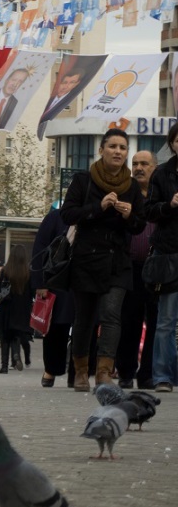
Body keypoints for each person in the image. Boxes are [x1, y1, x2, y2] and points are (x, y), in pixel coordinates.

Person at [60, 128, 145, 391]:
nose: (118, 152)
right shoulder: (84, 180)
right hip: (86, 258)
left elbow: (139, 226)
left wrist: (130, 215)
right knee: (84, 318)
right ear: (102, 150)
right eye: (113, 146)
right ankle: (81, 372)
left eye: (122, 148)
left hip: (118, 260)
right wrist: (99, 207)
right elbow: (67, 215)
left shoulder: (131, 186)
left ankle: (105, 372)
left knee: (111, 316)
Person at [116, 151, 157, 389]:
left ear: (155, 167)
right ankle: (125, 371)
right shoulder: (126, 192)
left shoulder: (159, 194)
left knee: (155, 322)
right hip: (129, 266)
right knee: (128, 322)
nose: (139, 167)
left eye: (144, 164)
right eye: (135, 164)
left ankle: (148, 374)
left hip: (156, 269)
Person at [31, 207, 80, 388]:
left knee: (84, 328)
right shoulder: (56, 217)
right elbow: (40, 247)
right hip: (58, 279)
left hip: (86, 278)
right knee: (56, 326)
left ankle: (78, 373)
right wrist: (40, 283)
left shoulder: (96, 214)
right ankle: (51, 369)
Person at [145, 124, 178, 393]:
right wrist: (170, 205)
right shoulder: (162, 174)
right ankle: (162, 376)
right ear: (172, 144)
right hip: (168, 255)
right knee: (166, 321)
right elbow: (150, 212)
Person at [0, 246, 33, 374]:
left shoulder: (6, 271)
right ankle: (16, 354)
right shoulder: (28, 272)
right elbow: (32, 292)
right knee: (17, 334)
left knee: (5, 337)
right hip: (22, 308)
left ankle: (4, 366)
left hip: (6, 307)